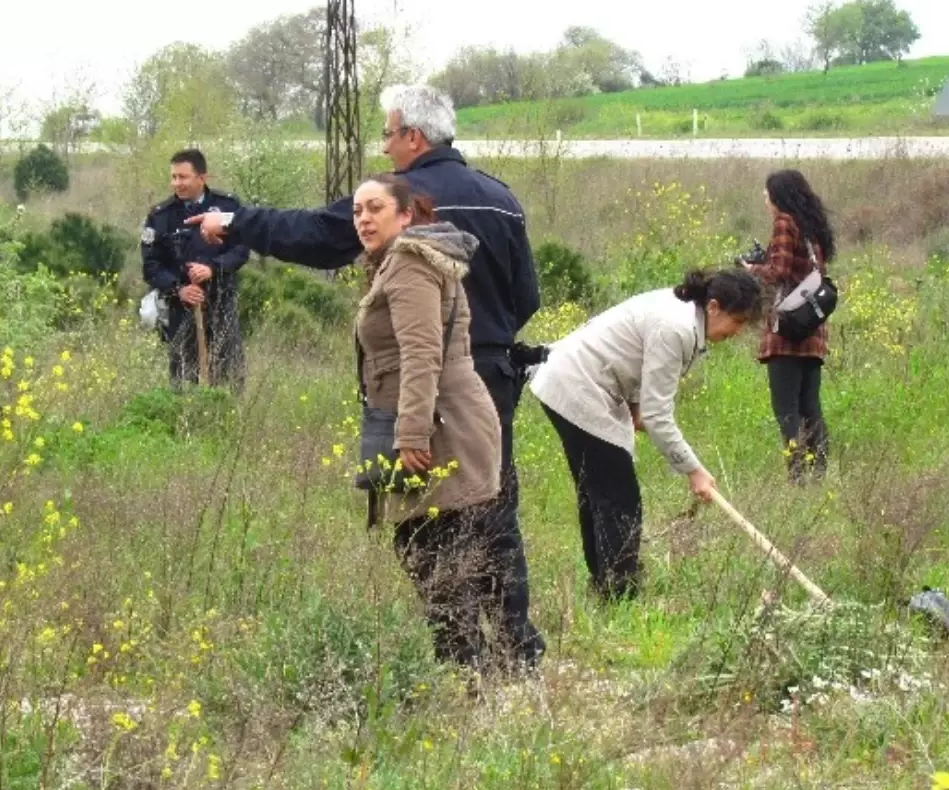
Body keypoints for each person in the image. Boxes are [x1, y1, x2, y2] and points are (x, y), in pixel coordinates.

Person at [187, 85, 542, 654]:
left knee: (425, 527)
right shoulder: (501, 198)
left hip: (422, 386)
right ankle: (514, 649)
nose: (383, 147)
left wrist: (237, 222)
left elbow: (316, 237)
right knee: (491, 512)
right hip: (490, 377)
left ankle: (464, 657)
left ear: (413, 138)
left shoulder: (404, 198)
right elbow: (527, 297)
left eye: (388, 134)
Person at [351, 172, 543, 673]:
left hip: (442, 423)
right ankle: (487, 666)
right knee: (443, 548)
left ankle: (474, 671)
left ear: (406, 214)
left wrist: (410, 433)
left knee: (431, 552)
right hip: (444, 414)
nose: (364, 219)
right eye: (357, 211)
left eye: (375, 208)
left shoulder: (410, 263)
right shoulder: (398, 262)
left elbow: (421, 352)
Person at [527, 269, 763, 603]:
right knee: (618, 499)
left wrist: (636, 408)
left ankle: (606, 588)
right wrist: (693, 471)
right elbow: (658, 417)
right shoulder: (676, 327)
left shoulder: (681, 310)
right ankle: (619, 594)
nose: (737, 333)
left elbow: (638, 360)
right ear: (713, 307)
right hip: (576, 386)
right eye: (737, 322)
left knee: (600, 492)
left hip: (574, 380)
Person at [745, 169, 836, 483]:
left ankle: (797, 476)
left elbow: (778, 271)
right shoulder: (812, 227)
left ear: (778, 196)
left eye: (768, 193)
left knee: (786, 409)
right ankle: (819, 474)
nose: (765, 198)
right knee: (811, 406)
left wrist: (750, 268)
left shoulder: (785, 222)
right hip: (811, 329)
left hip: (786, 330)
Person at [141, 149, 249, 392]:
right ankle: (187, 426)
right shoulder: (161, 216)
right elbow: (151, 266)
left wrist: (213, 268)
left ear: (202, 177)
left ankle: (226, 423)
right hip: (181, 307)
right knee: (182, 379)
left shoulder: (227, 207)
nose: (176, 183)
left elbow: (241, 250)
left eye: (183, 177)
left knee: (229, 374)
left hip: (222, 300)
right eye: (174, 177)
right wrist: (179, 289)